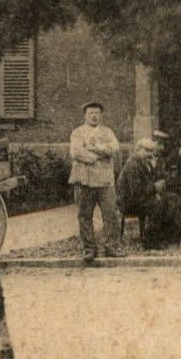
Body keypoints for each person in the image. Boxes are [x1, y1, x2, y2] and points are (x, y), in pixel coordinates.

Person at [70, 101, 124, 262]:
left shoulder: (108, 132)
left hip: (105, 180)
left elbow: (115, 148)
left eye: (97, 113)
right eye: (91, 113)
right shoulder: (77, 133)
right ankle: (89, 249)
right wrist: (96, 157)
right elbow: (76, 152)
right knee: (84, 215)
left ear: (101, 115)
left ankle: (110, 247)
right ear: (85, 116)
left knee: (110, 214)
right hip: (84, 180)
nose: (94, 116)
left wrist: (95, 148)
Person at [117, 138, 181, 249]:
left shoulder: (143, 163)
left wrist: (158, 184)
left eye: (151, 151)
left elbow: (152, 182)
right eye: (147, 151)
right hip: (129, 201)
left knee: (174, 198)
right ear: (138, 150)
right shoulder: (132, 165)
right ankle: (150, 240)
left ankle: (169, 234)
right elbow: (136, 191)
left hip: (142, 197)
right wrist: (154, 188)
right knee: (157, 204)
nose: (150, 154)